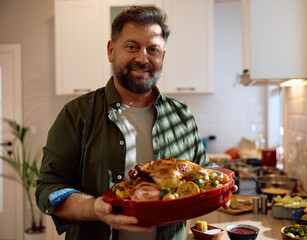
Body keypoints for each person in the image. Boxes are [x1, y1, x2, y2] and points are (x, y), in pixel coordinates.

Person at [36, 6, 233, 240]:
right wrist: (95, 208)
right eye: (132, 47)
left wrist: (222, 187)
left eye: (153, 49)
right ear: (111, 51)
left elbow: (204, 174)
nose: (142, 58)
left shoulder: (182, 116)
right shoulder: (76, 114)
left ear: (163, 56)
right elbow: (48, 190)